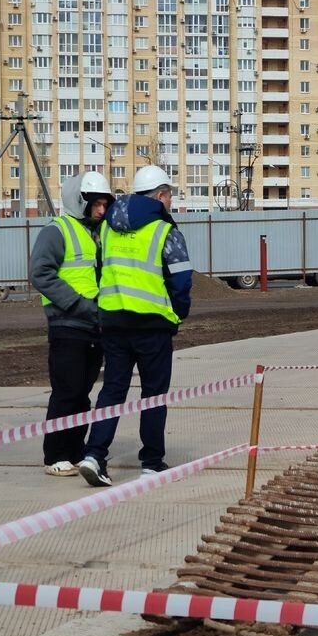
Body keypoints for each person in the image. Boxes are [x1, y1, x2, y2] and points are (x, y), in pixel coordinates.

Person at [79, 165, 193, 487]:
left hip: (114, 320)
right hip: (152, 324)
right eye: (169, 196)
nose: (170, 202)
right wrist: (178, 313)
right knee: (154, 394)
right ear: (160, 195)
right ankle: (152, 462)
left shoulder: (107, 228)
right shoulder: (164, 231)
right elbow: (182, 280)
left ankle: (94, 454)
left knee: (112, 389)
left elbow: (100, 270)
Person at [30, 171, 114, 477]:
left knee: (82, 393)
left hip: (94, 325)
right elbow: (41, 274)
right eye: (97, 205)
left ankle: (76, 449)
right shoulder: (57, 231)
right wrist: (77, 303)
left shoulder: (98, 233)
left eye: (105, 205)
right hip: (67, 324)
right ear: (81, 202)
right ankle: (55, 454)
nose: (102, 211)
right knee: (66, 392)